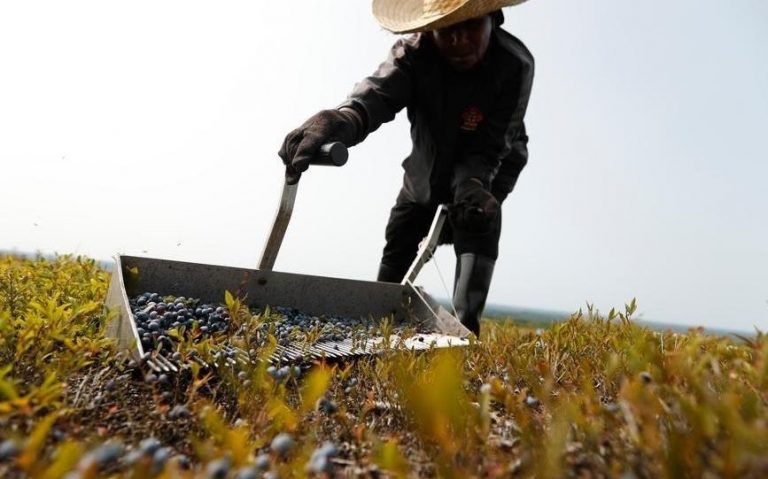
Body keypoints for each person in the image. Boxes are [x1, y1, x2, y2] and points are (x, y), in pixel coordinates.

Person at [279, 0, 534, 336]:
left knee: (478, 226)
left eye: (469, 26)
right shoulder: (413, 54)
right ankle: (378, 331)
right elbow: (377, 95)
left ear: (493, 19)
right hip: (424, 173)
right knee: (398, 248)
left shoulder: (515, 65)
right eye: (446, 29)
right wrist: (344, 118)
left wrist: (473, 185)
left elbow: (491, 145)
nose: (458, 40)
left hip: (487, 171)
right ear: (430, 29)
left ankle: (465, 334)